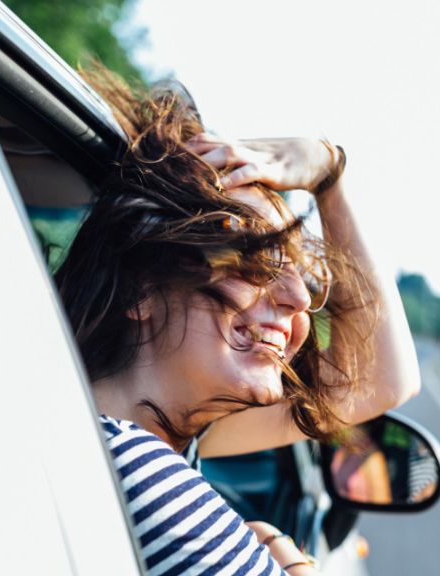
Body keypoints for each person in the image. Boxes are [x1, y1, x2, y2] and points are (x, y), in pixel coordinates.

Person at [55, 66, 420, 574]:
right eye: (259, 259)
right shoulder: (141, 471)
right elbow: (376, 382)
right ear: (140, 285)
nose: (297, 299)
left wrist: (331, 175)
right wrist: (289, 561)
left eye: (305, 278)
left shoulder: (108, 435)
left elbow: (377, 380)